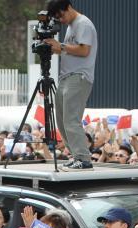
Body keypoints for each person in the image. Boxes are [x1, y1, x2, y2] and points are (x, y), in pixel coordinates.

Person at [45, 0, 98, 171]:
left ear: (68, 8)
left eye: (61, 15)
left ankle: (83, 158)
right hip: (67, 77)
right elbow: (69, 50)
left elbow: (84, 50)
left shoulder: (83, 23)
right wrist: (54, 47)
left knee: (71, 119)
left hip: (79, 76)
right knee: (61, 120)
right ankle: (76, 155)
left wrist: (60, 46)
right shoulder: (71, 26)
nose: (60, 20)